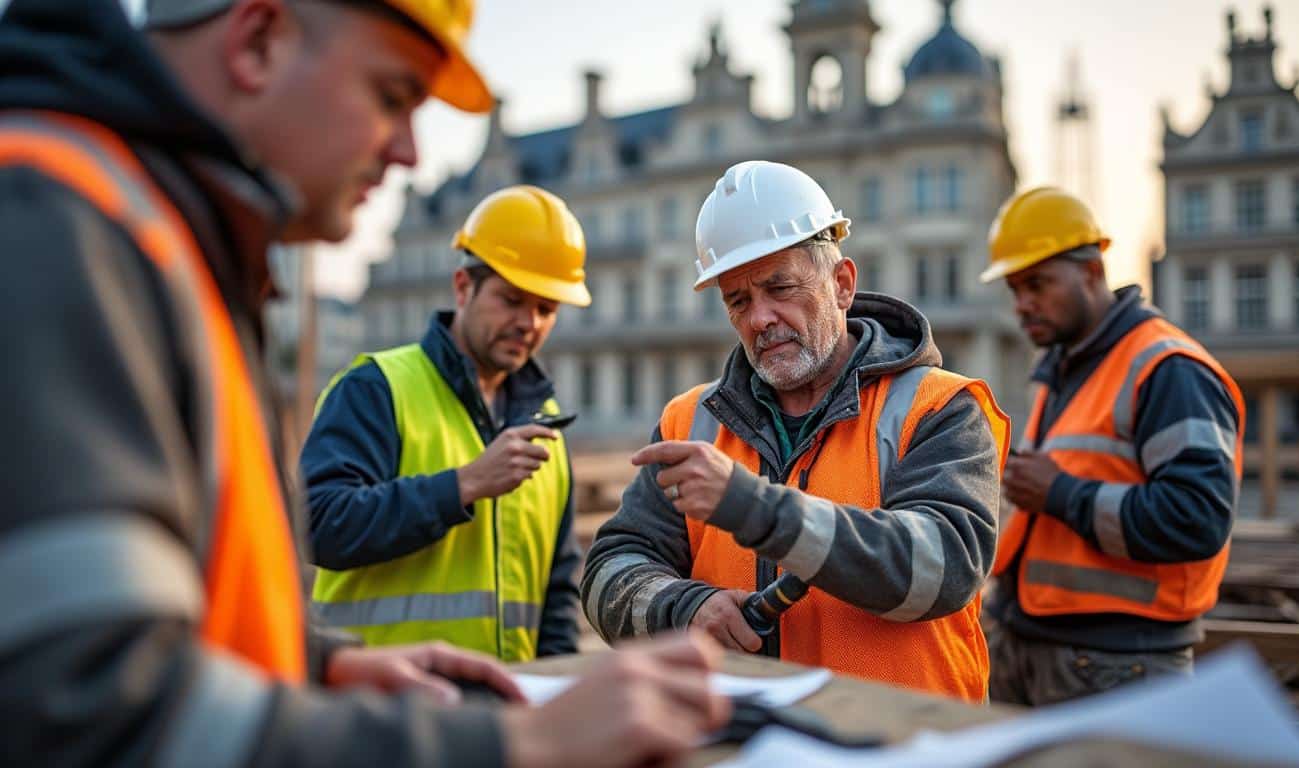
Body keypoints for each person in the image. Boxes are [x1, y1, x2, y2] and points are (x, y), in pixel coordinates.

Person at [0, 0, 728, 765]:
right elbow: (83, 713)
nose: (411, 153)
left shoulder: (155, 245)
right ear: (257, 40)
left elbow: (171, 616)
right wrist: (509, 745)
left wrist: (319, 665)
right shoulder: (54, 225)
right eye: (391, 97)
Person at [582, 160, 1010, 702]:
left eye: (779, 287)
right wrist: (684, 608)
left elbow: (941, 569)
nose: (760, 318)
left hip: (904, 746)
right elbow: (607, 572)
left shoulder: (939, 407)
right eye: (738, 300)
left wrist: (754, 508)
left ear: (842, 285)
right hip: (747, 744)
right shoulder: (691, 421)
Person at [977, 187, 1244, 706]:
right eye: (1014, 288)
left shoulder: (1168, 369)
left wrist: (1060, 494)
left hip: (1118, 663)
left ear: (1092, 272)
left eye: (1037, 283)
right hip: (1038, 644)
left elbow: (1198, 519)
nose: (1022, 303)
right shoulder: (1065, 368)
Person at [303, 184, 588, 661]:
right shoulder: (376, 387)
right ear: (463, 287)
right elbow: (318, 524)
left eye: (545, 309)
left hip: (502, 711)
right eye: (512, 299)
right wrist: (464, 485)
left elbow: (556, 592)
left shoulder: (546, 422)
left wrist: (549, 689)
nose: (529, 323)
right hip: (379, 705)